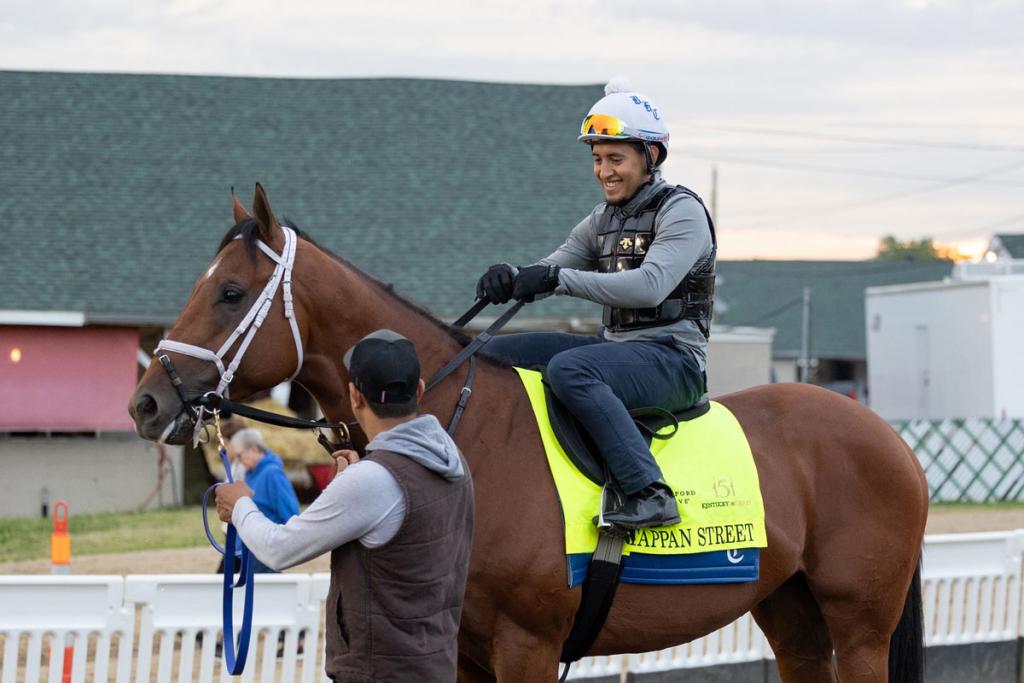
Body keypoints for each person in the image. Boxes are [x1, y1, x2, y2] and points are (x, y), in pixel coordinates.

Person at [475, 77, 715, 531]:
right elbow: (551, 267)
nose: (604, 170)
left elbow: (648, 287)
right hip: (617, 350)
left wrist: (557, 279)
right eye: (598, 159)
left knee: (571, 369)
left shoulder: (681, 211)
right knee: (492, 356)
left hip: (674, 362)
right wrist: (510, 277)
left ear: (652, 157)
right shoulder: (600, 220)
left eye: (616, 159)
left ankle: (650, 492)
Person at [215, 329, 474, 683]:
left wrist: (241, 504)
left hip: (380, 673)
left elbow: (278, 549)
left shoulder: (372, 480)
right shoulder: (451, 458)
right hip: (436, 665)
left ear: (354, 396)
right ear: (419, 390)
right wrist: (348, 486)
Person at [218, 428, 299, 574]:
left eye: (240, 455)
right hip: (245, 551)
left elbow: (291, 513)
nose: (239, 461)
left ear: (254, 449)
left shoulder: (272, 474)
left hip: (263, 555)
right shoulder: (250, 474)